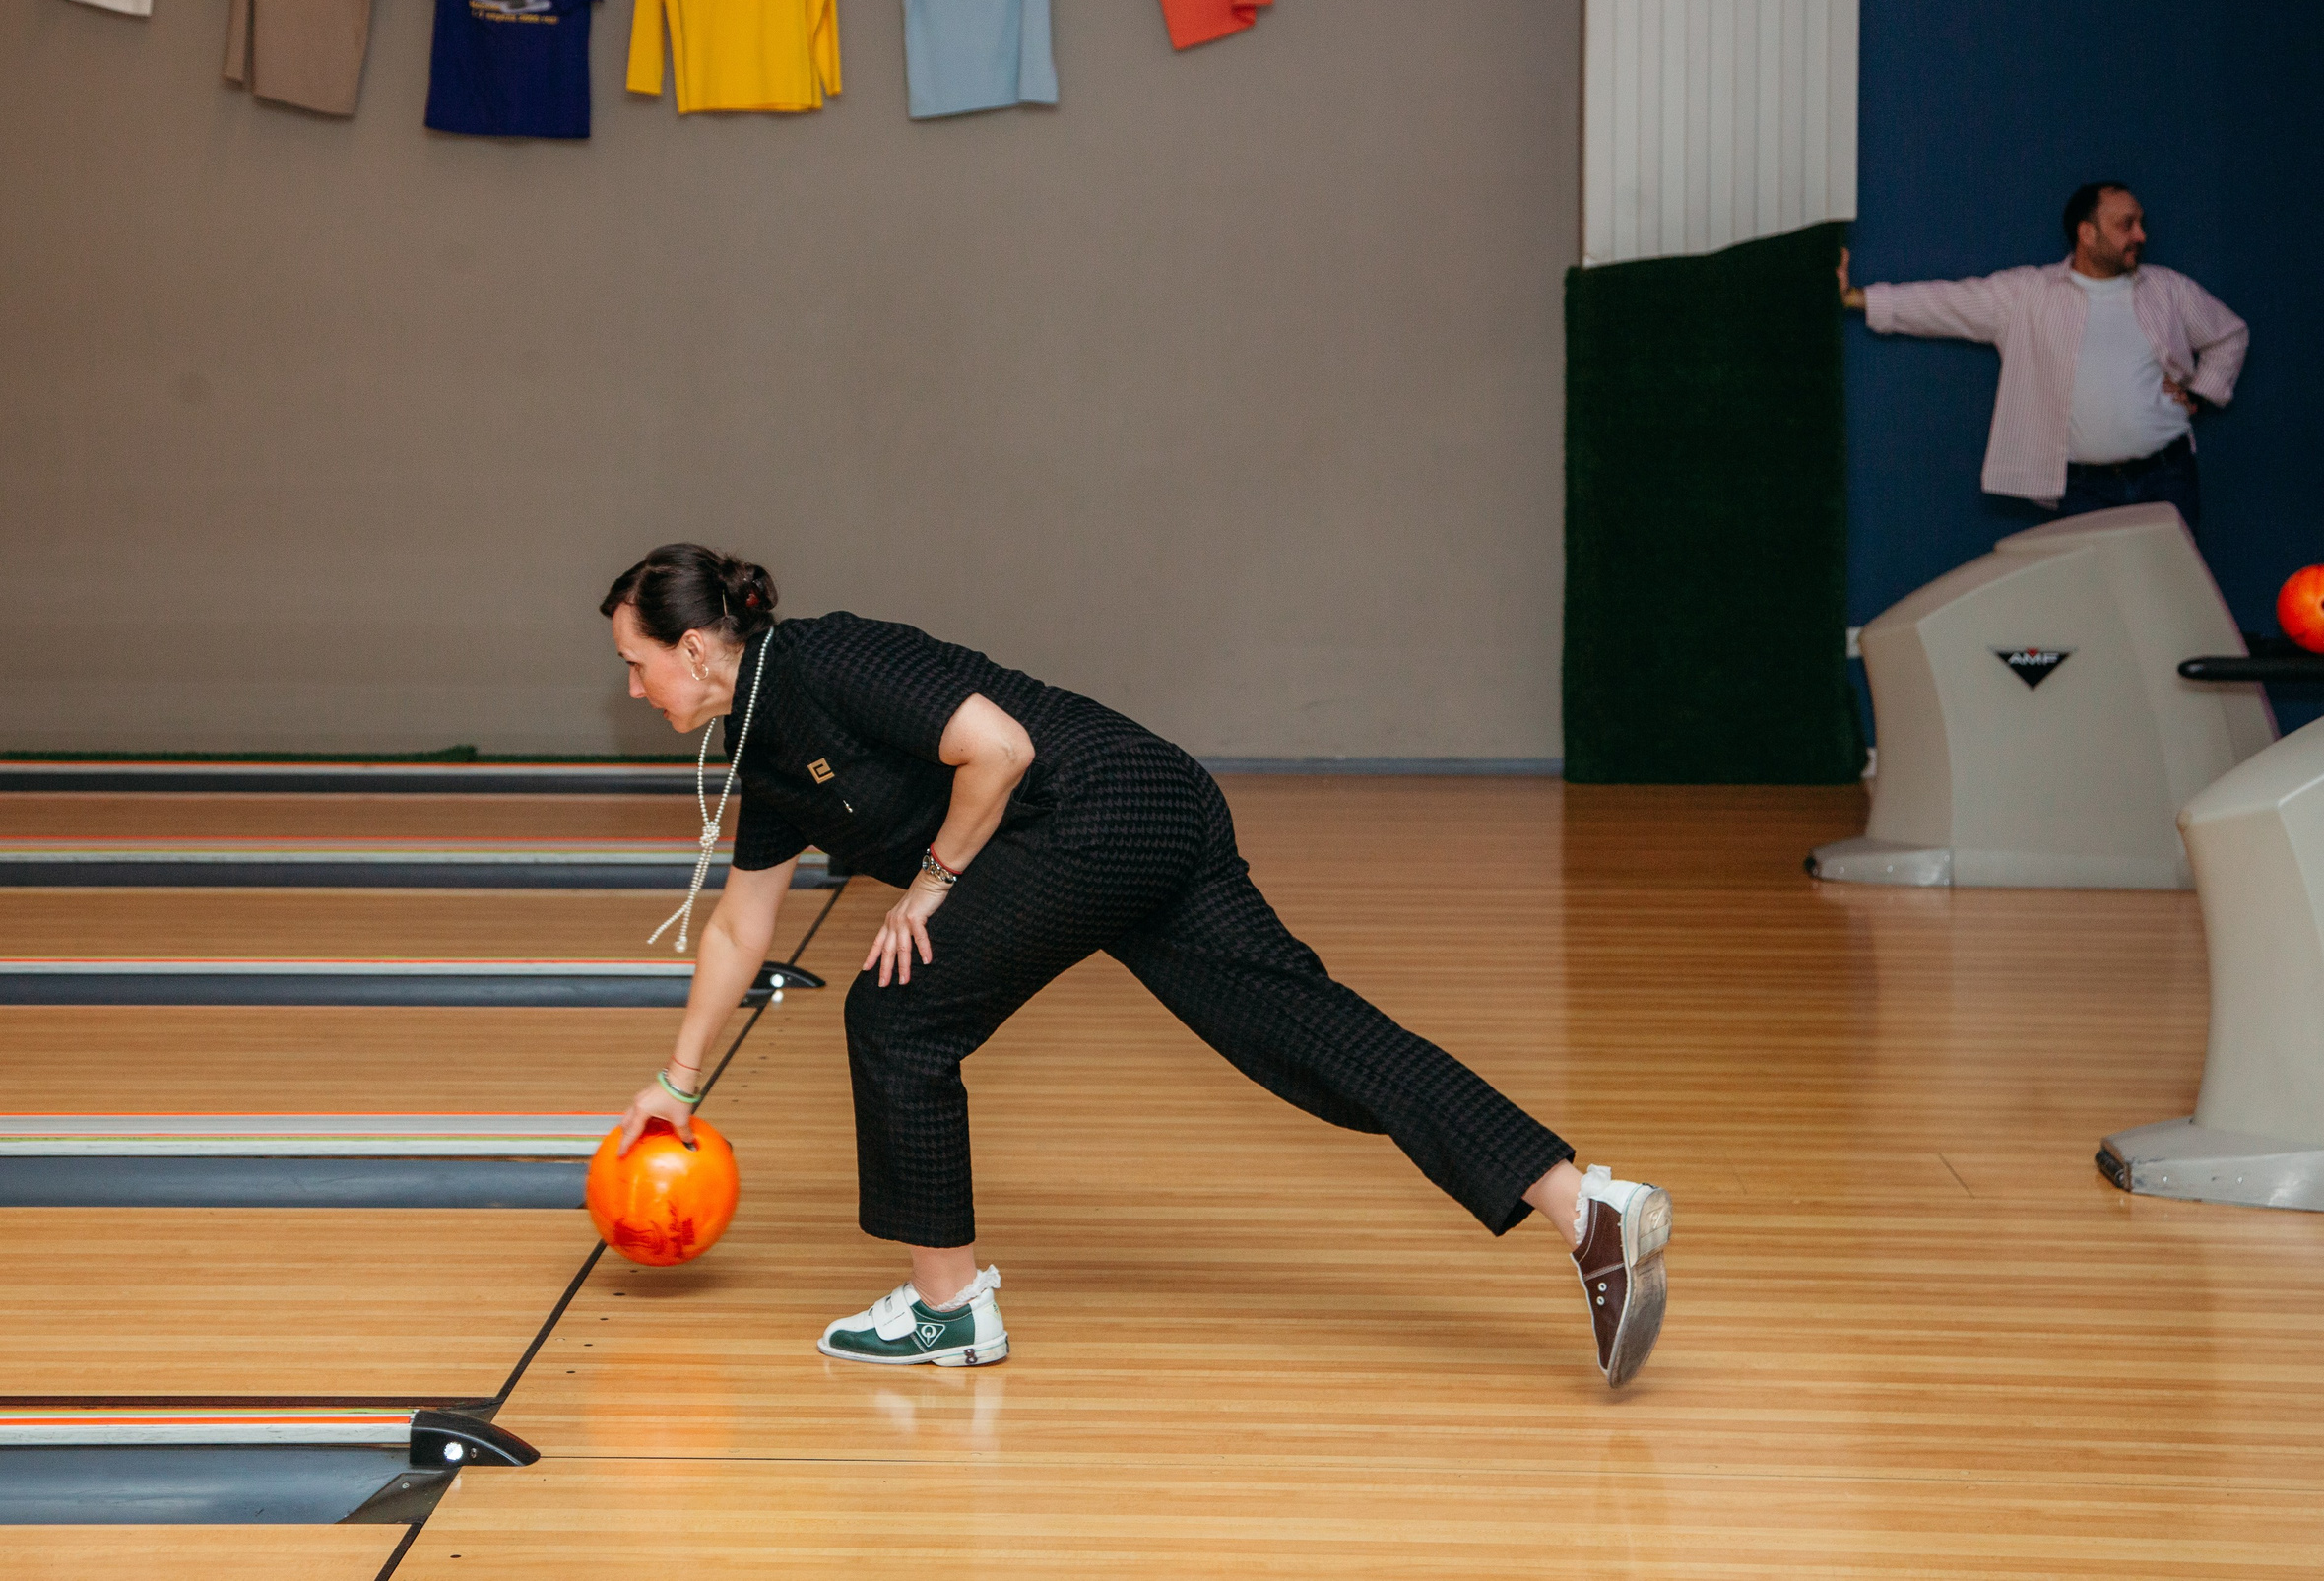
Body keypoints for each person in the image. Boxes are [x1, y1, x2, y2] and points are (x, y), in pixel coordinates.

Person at [603, 543, 1674, 1387]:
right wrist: (679, 1085)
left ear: (696, 646)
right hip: (1136, 813)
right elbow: (742, 929)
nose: (637, 689)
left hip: (1100, 807)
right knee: (1299, 1032)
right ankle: (1587, 1210)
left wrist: (929, 884)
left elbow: (1001, 748)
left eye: (636, 664)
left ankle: (947, 1312)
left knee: (899, 1014)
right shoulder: (768, 761)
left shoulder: (832, 658)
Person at [1839, 182, 2248, 530]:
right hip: (2083, 488)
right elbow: (1944, 303)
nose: (2140, 235)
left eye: (2140, 223)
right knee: (2090, 603)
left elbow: (2230, 334)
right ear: (2087, 234)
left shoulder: (2167, 289)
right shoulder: (2027, 294)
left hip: (2168, 476)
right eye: (2126, 225)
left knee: (2172, 592)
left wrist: (2203, 391)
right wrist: (1855, 298)